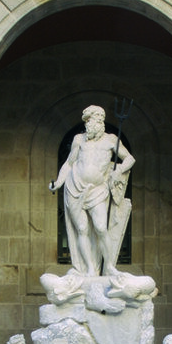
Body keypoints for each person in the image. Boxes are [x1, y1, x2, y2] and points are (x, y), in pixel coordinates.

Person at [49, 105, 134, 277]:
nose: (87, 125)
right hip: (75, 188)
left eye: (89, 121)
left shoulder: (110, 140)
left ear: (99, 121)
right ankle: (89, 268)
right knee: (82, 229)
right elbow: (69, 163)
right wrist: (58, 182)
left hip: (98, 190)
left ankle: (109, 266)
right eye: (86, 122)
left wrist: (118, 172)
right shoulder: (79, 140)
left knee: (101, 228)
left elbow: (130, 159)